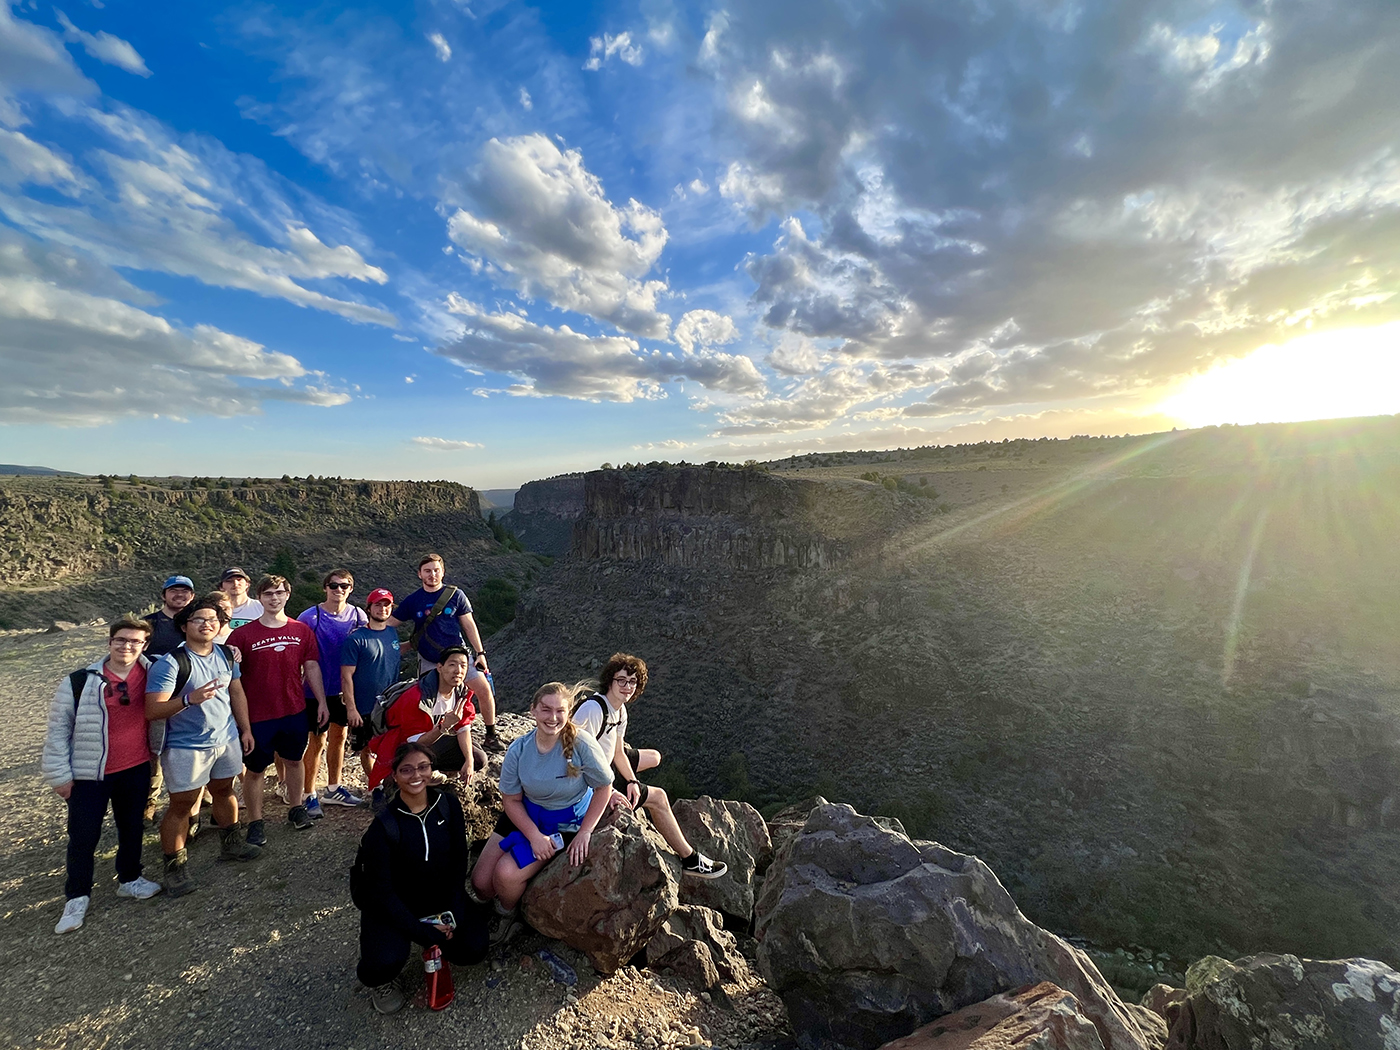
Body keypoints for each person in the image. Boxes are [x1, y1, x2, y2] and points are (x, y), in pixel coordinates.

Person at [41, 616, 164, 934]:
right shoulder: (80, 681)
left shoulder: (154, 674)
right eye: (121, 640)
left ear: (144, 645)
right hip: (88, 773)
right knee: (83, 837)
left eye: (135, 641)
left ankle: (130, 878)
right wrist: (58, 775)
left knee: (132, 827)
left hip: (135, 767)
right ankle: (77, 896)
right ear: (109, 642)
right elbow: (57, 730)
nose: (127, 646)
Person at [470, 682, 614, 945]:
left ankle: (506, 914)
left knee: (505, 874)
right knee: (480, 883)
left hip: (562, 823)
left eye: (560, 711)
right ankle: (498, 900)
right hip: (524, 814)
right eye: (546, 710)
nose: (553, 717)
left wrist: (585, 833)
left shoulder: (581, 744)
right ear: (533, 711)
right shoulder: (519, 749)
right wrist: (533, 836)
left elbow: (604, 787)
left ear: (568, 713)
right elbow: (511, 799)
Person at [352, 741, 488, 1014]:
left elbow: (460, 859)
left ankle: (439, 945)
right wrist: (423, 932)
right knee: (382, 964)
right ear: (394, 775)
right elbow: (383, 894)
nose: (416, 776)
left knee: (474, 949)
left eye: (423, 767)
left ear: (431, 769)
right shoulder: (383, 827)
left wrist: (452, 909)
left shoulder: (447, 804)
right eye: (406, 770)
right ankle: (385, 978)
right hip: (392, 907)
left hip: (437, 897)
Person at [573, 654, 727, 880]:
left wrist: (633, 781)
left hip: (605, 769)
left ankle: (628, 784)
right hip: (590, 782)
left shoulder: (619, 710)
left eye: (633, 682)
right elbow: (575, 758)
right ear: (610, 680)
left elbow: (617, 751)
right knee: (659, 797)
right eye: (622, 680)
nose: (627, 687)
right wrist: (611, 791)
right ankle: (690, 859)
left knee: (653, 759)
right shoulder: (593, 710)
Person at [146, 596, 260, 896]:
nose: (208, 624)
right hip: (186, 746)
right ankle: (175, 867)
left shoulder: (225, 655)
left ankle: (231, 843)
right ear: (184, 626)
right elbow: (152, 710)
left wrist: (245, 729)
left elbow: (236, 692)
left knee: (224, 791)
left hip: (226, 739)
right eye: (199, 619)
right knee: (182, 805)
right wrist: (188, 699)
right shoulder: (171, 663)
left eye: (213, 619)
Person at [228, 574, 326, 837]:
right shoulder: (241, 635)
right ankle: (256, 821)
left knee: (294, 761)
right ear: (259, 598)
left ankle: (296, 808)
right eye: (268, 593)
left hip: (293, 710)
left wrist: (321, 702)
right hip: (258, 715)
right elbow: (230, 678)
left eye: (279, 593)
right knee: (256, 769)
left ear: (287, 595)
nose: (274, 598)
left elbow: (312, 666)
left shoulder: (300, 630)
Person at [387, 554, 504, 754]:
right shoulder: (413, 600)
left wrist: (480, 653)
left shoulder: (456, 595)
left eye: (436, 570)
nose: (432, 575)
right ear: (419, 574)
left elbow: (469, 625)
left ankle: (490, 735)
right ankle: (430, 741)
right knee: (428, 702)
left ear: (443, 572)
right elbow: (390, 623)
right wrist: (369, 631)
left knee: (483, 690)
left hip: (459, 657)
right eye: (427, 571)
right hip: (430, 660)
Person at [367, 647, 484, 796]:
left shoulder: (460, 692)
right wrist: (444, 727)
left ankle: (428, 774)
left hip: (427, 744)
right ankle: (395, 780)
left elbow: (463, 727)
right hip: (400, 749)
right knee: (413, 757)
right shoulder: (416, 697)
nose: (458, 670)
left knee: (478, 757)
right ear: (440, 667)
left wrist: (469, 761)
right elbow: (415, 743)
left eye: (463, 665)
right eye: (452, 664)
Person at [297, 568, 368, 810]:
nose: (339, 590)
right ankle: (308, 793)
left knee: (340, 737)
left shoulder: (358, 616)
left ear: (351, 589)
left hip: (345, 690)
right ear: (325, 588)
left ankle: (333, 788)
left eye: (344, 586)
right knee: (317, 740)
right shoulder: (310, 617)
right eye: (334, 585)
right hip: (316, 690)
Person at [139, 573, 196, 825]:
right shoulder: (148, 625)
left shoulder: (196, 622)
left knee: (191, 748)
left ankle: (198, 796)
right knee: (154, 750)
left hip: (192, 697)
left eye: (185, 591)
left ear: (192, 596)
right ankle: (149, 801)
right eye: (174, 590)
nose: (179, 595)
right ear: (163, 595)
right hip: (157, 697)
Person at [340, 588, 402, 787]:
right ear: (369, 608)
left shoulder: (392, 633)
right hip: (365, 706)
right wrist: (351, 708)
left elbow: (393, 651)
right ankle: (376, 786)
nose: (382, 609)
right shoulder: (355, 639)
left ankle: (390, 784)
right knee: (367, 748)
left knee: (391, 746)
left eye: (387, 605)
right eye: (378, 604)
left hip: (391, 704)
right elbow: (346, 676)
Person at [219, 567, 264, 631]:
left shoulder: (261, 607)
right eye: (229, 581)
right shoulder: (216, 610)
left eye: (239, 579)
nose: (235, 583)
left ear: (247, 584)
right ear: (221, 587)